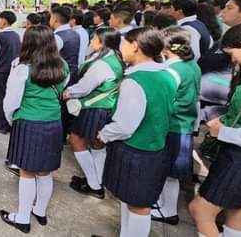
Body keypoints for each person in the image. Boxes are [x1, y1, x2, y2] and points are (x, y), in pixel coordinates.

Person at [98, 27, 178, 237]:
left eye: (124, 43)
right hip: (156, 145)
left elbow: (125, 125)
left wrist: (104, 134)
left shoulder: (135, 81)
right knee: (132, 200)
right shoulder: (169, 74)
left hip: (135, 150)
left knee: (138, 206)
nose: (121, 48)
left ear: (135, 46)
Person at [189, 24, 241, 237]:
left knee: (200, 210)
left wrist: (223, 132)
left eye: (232, 54)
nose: (232, 60)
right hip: (240, 155)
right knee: (235, 213)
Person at [0, 25, 70, 233]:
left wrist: (13, 120)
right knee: (45, 171)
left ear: (28, 42)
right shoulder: (63, 65)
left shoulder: (23, 67)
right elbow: (63, 87)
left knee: (27, 172)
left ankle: (22, 218)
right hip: (54, 122)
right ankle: (39, 210)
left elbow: (10, 101)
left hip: (29, 123)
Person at [63, 27, 124, 199]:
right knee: (98, 144)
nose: (91, 42)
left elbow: (85, 87)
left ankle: (93, 184)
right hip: (105, 107)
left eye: (94, 39)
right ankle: (96, 179)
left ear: (103, 42)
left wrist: (69, 92)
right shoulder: (114, 58)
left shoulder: (102, 64)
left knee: (77, 140)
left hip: (93, 107)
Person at [151, 26, 201, 226]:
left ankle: (168, 210)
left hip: (173, 125)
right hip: (184, 123)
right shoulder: (191, 65)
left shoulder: (173, 69)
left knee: (170, 171)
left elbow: (170, 100)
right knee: (170, 170)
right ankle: (163, 204)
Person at [0, 11, 20, 134]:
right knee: (9, 96)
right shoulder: (16, 35)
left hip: (0, 71)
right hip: (12, 70)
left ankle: (1, 124)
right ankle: (8, 121)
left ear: (4, 21)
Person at [50, 6, 80, 85]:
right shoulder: (75, 33)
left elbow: (49, 58)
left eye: (51, 17)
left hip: (61, 77)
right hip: (73, 74)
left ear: (55, 19)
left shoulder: (57, 37)